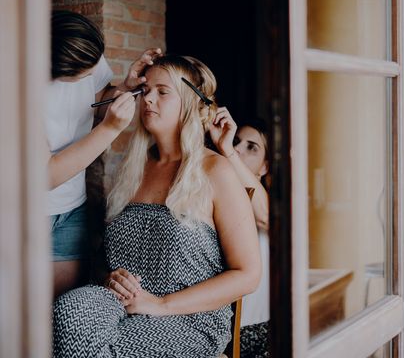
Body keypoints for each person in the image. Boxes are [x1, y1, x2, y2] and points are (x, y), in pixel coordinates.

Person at [52, 55, 261, 358]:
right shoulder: (133, 168)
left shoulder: (216, 171)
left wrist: (161, 305)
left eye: (163, 91)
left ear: (189, 102)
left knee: (112, 349)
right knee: (67, 314)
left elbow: (248, 275)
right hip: (121, 304)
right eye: (145, 90)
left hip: (188, 317)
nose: (148, 98)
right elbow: (105, 259)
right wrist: (111, 278)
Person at [48, 10, 162, 297]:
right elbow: (45, 175)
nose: (91, 76)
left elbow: (95, 99)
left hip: (72, 206)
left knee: (62, 305)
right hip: (24, 212)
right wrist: (110, 129)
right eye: (79, 76)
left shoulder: (84, 50)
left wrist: (124, 87)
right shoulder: (14, 89)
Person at [210, 110, 270, 358]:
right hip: (216, 326)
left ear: (265, 167)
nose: (240, 149)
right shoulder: (213, 191)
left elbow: (265, 215)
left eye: (252, 148)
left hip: (257, 330)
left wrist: (228, 150)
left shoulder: (269, 204)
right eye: (237, 142)